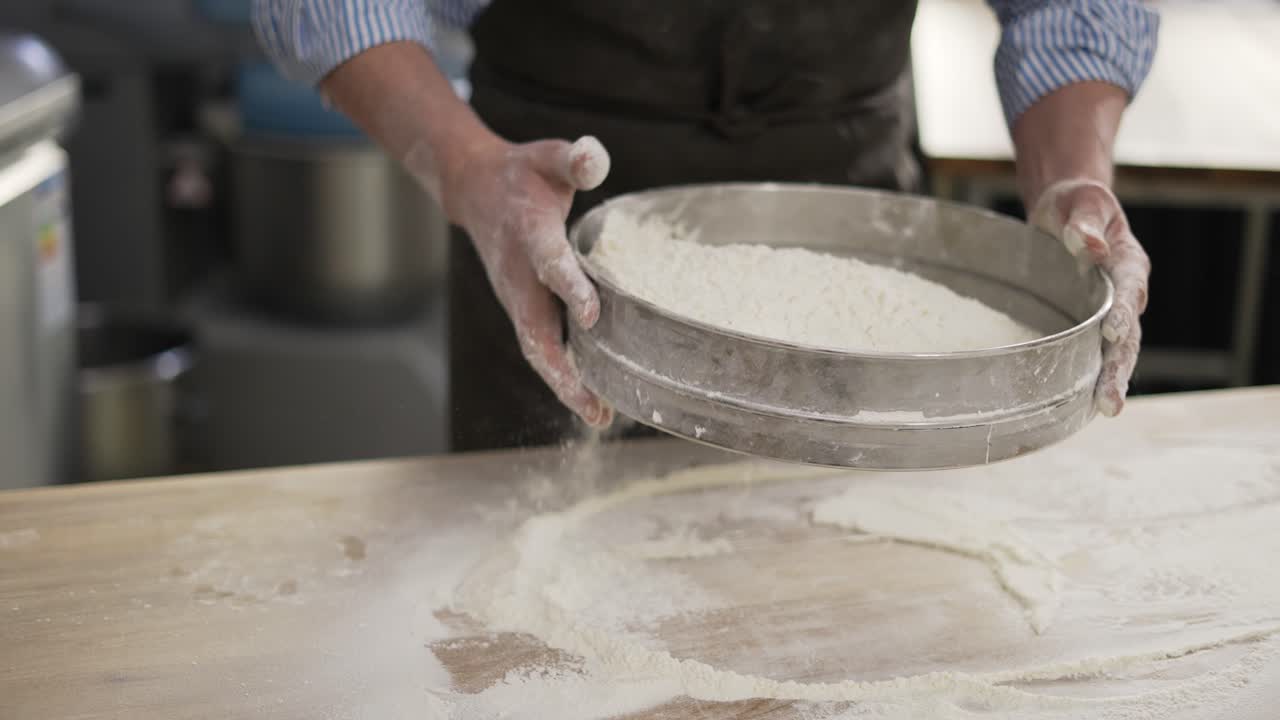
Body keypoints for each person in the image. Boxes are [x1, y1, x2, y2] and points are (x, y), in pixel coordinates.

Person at [253, 1, 1157, 452]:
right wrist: (470, 171)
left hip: (850, 227)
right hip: (547, 230)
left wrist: (1073, 176)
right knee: (537, 613)